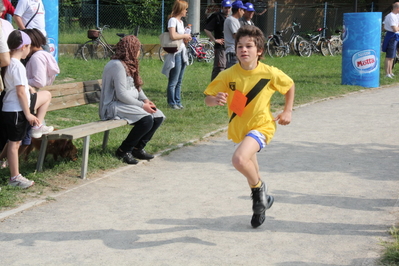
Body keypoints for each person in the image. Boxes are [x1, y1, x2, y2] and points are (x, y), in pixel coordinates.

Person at [203, 25, 295, 228]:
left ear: (259, 51)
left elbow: (289, 86)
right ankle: (261, 203)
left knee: (239, 159)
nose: (244, 50)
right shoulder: (228, 74)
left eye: (249, 46)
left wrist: (287, 110)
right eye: (240, 46)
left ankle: (259, 191)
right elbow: (208, 99)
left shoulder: (269, 73)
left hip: (262, 126)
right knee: (251, 168)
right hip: (240, 129)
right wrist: (215, 99)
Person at [100, 35, 165, 165]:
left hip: (126, 104)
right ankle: (124, 150)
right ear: (130, 49)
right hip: (113, 105)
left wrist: (146, 100)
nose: (139, 51)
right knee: (146, 119)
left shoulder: (129, 63)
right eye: (137, 48)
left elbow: (136, 87)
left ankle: (137, 148)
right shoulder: (117, 65)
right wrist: (142, 106)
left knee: (158, 116)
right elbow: (121, 94)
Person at [2, 30, 54, 188]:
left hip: (12, 108)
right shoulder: (16, 65)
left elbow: (20, 88)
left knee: (13, 142)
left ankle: (37, 128)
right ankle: (15, 177)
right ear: (23, 46)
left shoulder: (9, 63)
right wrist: (29, 114)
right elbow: (19, 92)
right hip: (17, 109)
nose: (30, 50)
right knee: (14, 144)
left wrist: (29, 88)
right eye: (29, 47)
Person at [161, 0, 191, 110]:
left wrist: (186, 38)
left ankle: (178, 101)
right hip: (175, 53)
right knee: (173, 80)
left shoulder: (181, 22)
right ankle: (172, 102)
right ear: (180, 9)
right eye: (185, 9)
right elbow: (173, 36)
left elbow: (180, 38)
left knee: (179, 80)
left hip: (182, 51)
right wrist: (184, 35)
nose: (186, 11)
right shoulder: (172, 20)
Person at [204, 0, 232, 81]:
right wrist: (215, 40)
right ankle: (213, 88)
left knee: (228, 68)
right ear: (222, 7)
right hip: (220, 47)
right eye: (225, 8)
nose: (227, 10)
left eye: (229, 8)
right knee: (219, 68)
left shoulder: (230, 18)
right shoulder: (217, 16)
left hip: (229, 47)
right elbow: (207, 29)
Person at [223, 0, 246, 69]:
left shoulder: (235, 20)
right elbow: (236, 35)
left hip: (235, 51)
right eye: (243, 10)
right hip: (232, 51)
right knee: (232, 75)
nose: (243, 12)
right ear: (239, 10)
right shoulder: (231, 20)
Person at [382, 2, 399, 78]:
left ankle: (390, 72)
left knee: (392, 56)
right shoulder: (391, 16)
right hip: (392, 36)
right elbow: (395, 29)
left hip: (395, 36)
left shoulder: (395, 15)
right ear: (397, 8)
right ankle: (387, 73)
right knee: (389, 56)